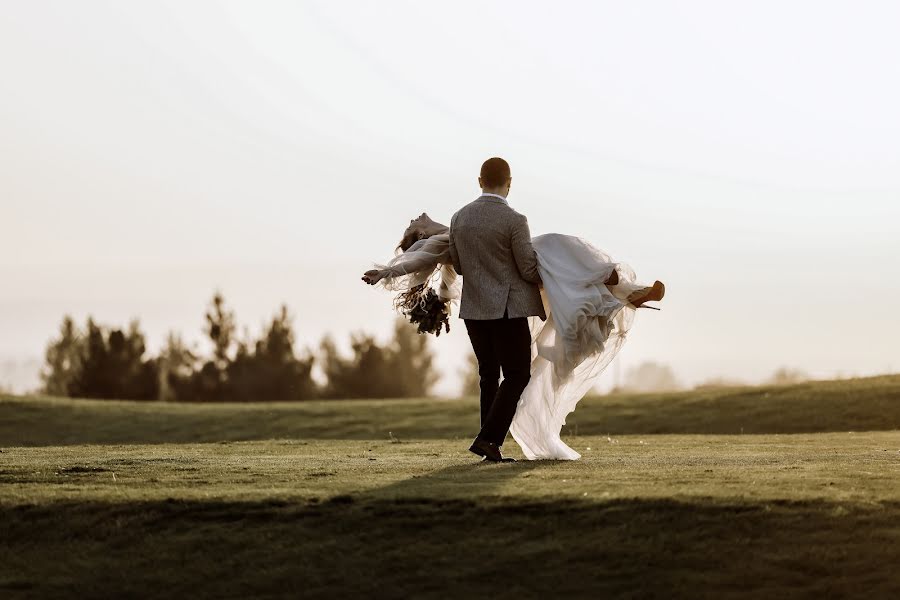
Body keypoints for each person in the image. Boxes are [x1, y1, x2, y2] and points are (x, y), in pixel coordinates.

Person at [363, 157, 664, 461]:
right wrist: (552, 275)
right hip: (508, 309)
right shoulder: (515, 220)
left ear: (480, 181)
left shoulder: (459, 218)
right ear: (508, 183)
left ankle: (488, 447)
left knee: (489, 375)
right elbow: (529, 270)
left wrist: (385, 273)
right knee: (518, 373)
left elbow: (461, 265)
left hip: (475, 311)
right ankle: (488, 438)